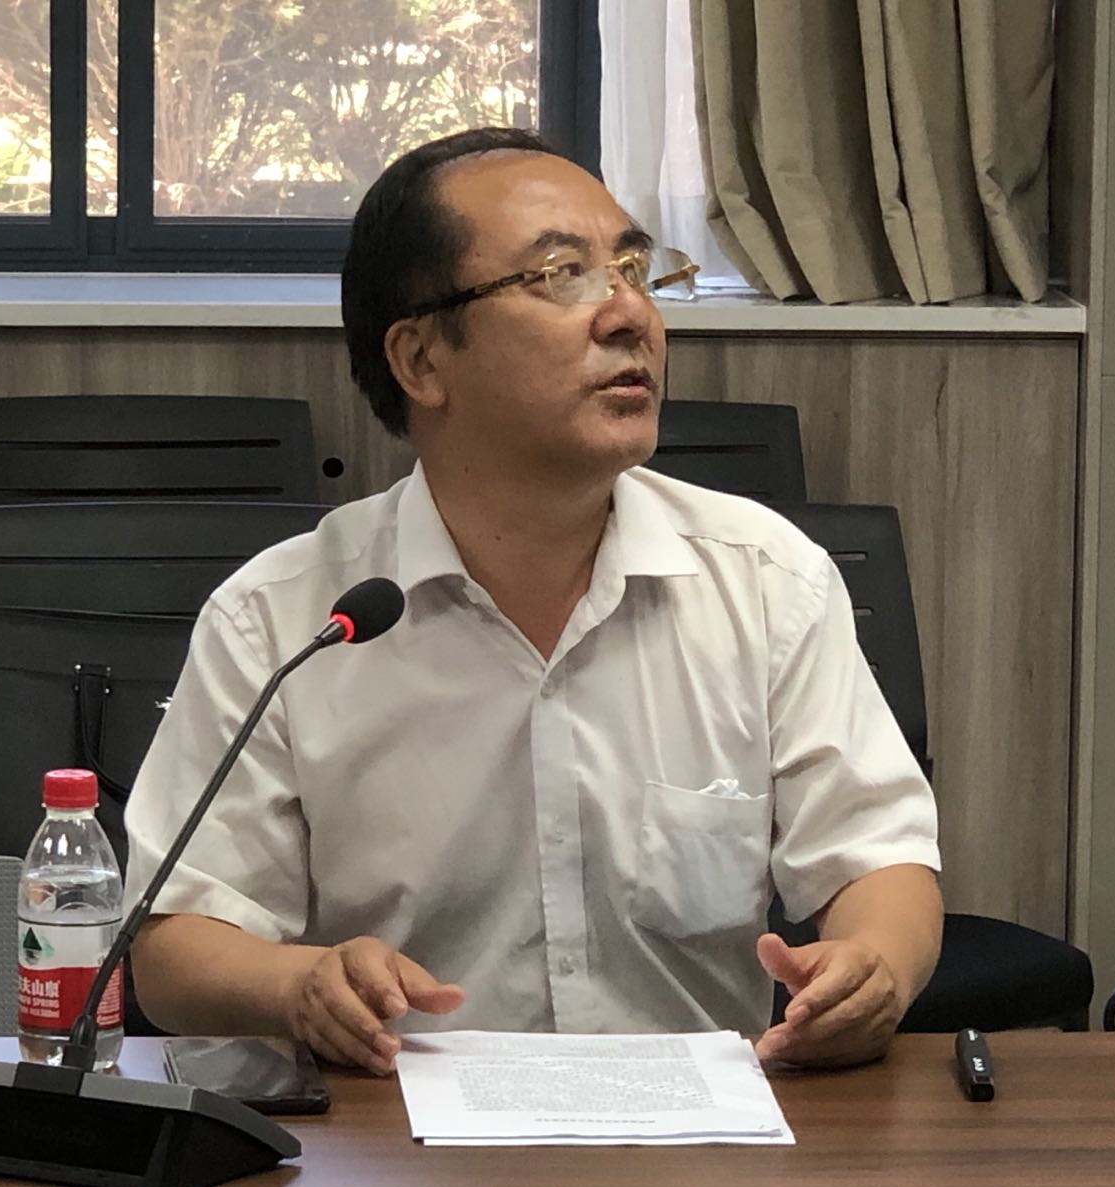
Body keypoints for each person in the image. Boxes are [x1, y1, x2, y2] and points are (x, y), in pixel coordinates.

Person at [125, 128, 942, 1075]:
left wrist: (873, 968)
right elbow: (174, 948)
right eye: (562, 275)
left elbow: (879, 857)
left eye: (634, 269)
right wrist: (300, 983)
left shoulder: (767, 581)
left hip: (692, 1140)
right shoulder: (282, 618)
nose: (630, 313)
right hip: (392, 1139)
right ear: (421, 361)